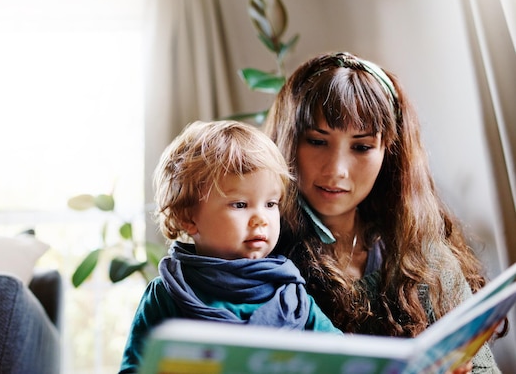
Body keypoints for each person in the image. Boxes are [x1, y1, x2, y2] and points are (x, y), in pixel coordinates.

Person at [264, 51, 504, 373]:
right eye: (317, 141)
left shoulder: (420, 253)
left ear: (388, 154)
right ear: (289, 141)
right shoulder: (257, 255)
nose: (336, 171)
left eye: (361, 147)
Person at [119, 120, 342, 374]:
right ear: (188, 217)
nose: (261, 218)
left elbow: (342, 359)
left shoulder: (290, 295)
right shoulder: (167, 295)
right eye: (240, 204)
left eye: (271, 204)